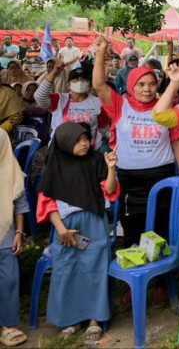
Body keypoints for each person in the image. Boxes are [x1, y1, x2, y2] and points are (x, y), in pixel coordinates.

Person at [92, 35, 179, 247]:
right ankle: (135, 273)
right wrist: (100, 53)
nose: (147, 89)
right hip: (129, 180)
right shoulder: (120, 105)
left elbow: (176, 139)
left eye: (152, 84)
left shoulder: (164, 107)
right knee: (133, 228)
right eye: (141, 84)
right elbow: (98, 84)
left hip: (161, 176)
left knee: (162, 231)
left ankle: (161, 278)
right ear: (131, 84)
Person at [36, 122, 118, 342]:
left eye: (86, 139)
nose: (84, 144)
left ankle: (94, 318)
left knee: (94, 268)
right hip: (65, 227)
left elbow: (109, 192)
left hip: (93, 221)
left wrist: (111, 169)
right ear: (64, 142)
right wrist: (62, 231)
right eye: (78, 140)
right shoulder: (55, 165)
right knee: (68, 269)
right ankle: (72, 319)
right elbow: (47, 202)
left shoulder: (95, 160)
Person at [35, 63, 106, 148]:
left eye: (83, 79)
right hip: (61, 150)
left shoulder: (99, 103)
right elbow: (39, 96)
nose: (79, 82)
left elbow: (102, 129)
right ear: (68, 85)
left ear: (90, 85)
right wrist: (53, 73)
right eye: (75, 80)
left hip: (89, 151)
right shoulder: (59, 99)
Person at [0, 130, 28, 347]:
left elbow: (20, 203)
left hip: (6, 233)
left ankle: (8, 324)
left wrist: (19, 232)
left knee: (9, 279)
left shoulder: (10, 170)